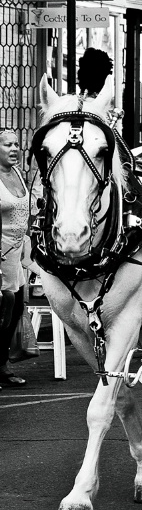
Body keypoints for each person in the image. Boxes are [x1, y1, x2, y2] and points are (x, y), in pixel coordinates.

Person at [0, 129, 32, 388]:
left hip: (16, 253)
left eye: (16, 144)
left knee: (16, 309)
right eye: (7, 144)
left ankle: (2, 363)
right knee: (4, 306)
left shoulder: (18, 174)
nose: (14, 149)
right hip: (0, 253)